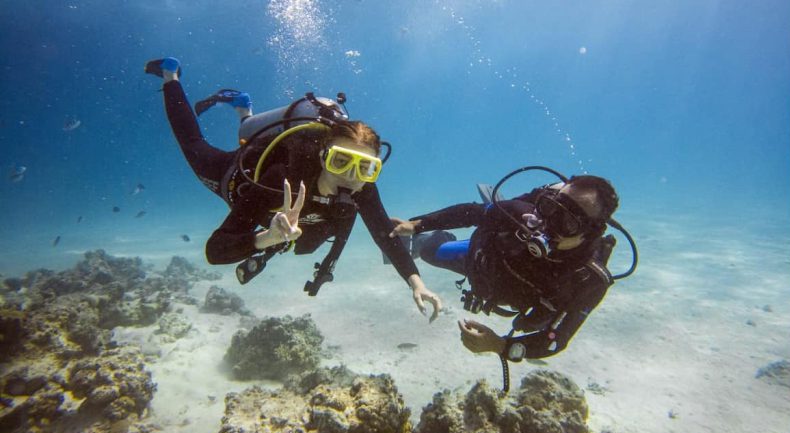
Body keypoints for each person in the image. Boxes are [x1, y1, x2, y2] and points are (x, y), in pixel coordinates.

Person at [145, 57, 442, 321]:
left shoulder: (361, 188)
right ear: (323, 156)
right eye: (341, 161)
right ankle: (171, 77)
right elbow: (215, 250)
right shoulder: (282, 179)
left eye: (366, 168)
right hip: (231, 174)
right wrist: (265, 239)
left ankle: (245, 110)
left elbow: (385, 237)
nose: (351, 177)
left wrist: (417, 284)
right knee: (193, 145)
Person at [390, 167, 637, 362]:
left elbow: (556, 340)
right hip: (481, 259)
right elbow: (472, 213)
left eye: (567, 223)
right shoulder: (524, 215)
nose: (546, 223)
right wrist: (418, 225)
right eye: (549, 207)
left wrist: (501, 346)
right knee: (431, 251)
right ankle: (439, 238)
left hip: (509, 290)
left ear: (591, 232)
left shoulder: (588, 279)